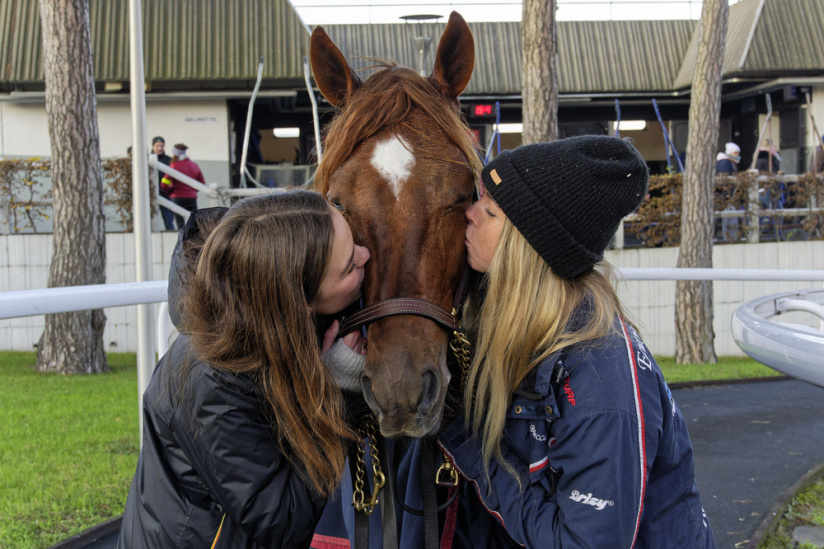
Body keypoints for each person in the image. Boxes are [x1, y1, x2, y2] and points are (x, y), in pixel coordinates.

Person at [437, 136, 718, 548]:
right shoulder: (535, 328)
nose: (471, 214)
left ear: (528, 249)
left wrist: (467, 441)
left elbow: (582, 543)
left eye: (491, 210)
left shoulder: (600, 387)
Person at [118, 190, 371, 548]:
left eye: (356, 243)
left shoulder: (262, 313)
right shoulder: (210, 382)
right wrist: (338, 394)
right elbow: (281, 521)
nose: (367, 255)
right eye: (350, 267)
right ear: (297, 304)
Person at [161, 143, 204, 230]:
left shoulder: (173, 166)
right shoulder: (195, 166)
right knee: (194, 221)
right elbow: (201, 183)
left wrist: (169, 191)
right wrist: (192, 190)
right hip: (191, 198)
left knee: (180, 225)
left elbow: (164, 183)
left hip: (177, 198)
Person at [151, 136, 175, 231]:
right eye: (157, 146)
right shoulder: (147, 159)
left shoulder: (169, 160)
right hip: (151, 193)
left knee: (168, 218)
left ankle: (170, 232)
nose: (159, 148)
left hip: (165, 193)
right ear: (153, 146)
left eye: (161, 146)